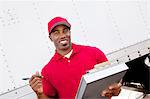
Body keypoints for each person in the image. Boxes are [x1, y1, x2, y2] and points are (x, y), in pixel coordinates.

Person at [29, 17, 122, 99]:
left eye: (65, 30)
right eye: (56, 33)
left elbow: (114, 84)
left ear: (69, 32)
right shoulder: (47, 71)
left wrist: (116, 89)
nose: (62, 35)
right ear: (50, 38)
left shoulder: (93, 52)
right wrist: (40, 94)